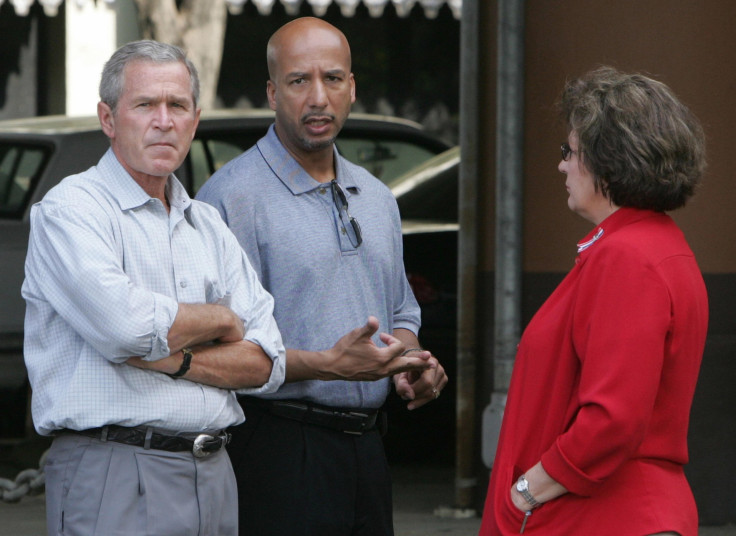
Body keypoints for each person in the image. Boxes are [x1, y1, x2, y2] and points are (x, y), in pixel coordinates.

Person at [22, 40, 427, 536]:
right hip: (117, 463)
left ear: (195, 119)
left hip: (212, 471)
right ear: (109, 118)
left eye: (178, 106)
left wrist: (180, 352)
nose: (164, 120)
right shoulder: (73, 211)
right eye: (145, 104)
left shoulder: (205, 224)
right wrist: (221, 320)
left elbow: (266, 358)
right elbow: (125, 329)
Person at [196, 16, 448, 536]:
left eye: (333, 79)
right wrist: (332, 366)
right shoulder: (230, 199)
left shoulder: (377, 197)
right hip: (277, 447)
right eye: (298, 81)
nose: (318, 97)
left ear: (352, 87)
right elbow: (217, 350)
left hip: (368, 449)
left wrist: (403, 359)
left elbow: (401, 311)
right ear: (271, 92)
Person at [478, 66, 708, 535]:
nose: (562, 165)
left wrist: (525, 493)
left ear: (607, 161)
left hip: (606, 517)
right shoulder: (653, 245)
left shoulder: (627, 255)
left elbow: (612, 420)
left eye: (571, 151)